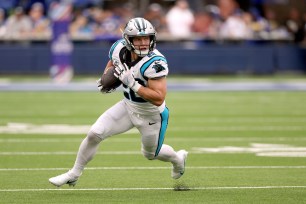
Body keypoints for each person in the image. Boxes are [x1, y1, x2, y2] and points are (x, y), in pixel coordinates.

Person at [49, 17, 188, 187]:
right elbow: (113, 64)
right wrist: (105, 79)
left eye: (147, 38)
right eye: (138, 39)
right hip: (128, 105)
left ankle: (177, 159)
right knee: (95, 133)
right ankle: (74, 173)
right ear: (128, 40)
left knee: (150, 154)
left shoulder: (155, 62)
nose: (144, 43)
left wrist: (134, 85)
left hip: (151, 113)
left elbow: (159, 97)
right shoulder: (118, 48)